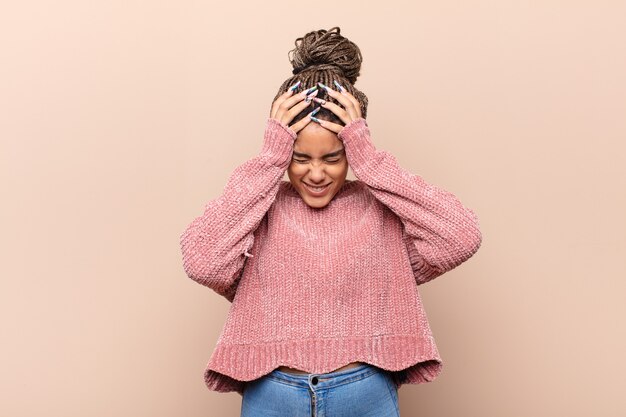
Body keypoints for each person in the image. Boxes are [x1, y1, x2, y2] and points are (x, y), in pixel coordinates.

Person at [179, 26, 482, 417]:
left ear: (351, 151)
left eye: (334, 158)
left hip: (365, 395)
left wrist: (369, 159)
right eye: (301, 158)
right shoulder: (260, 209)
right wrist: (270, 159)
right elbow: (202, 259)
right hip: (272, 396)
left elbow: (461, 236)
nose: (316, 174)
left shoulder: (379, 209)